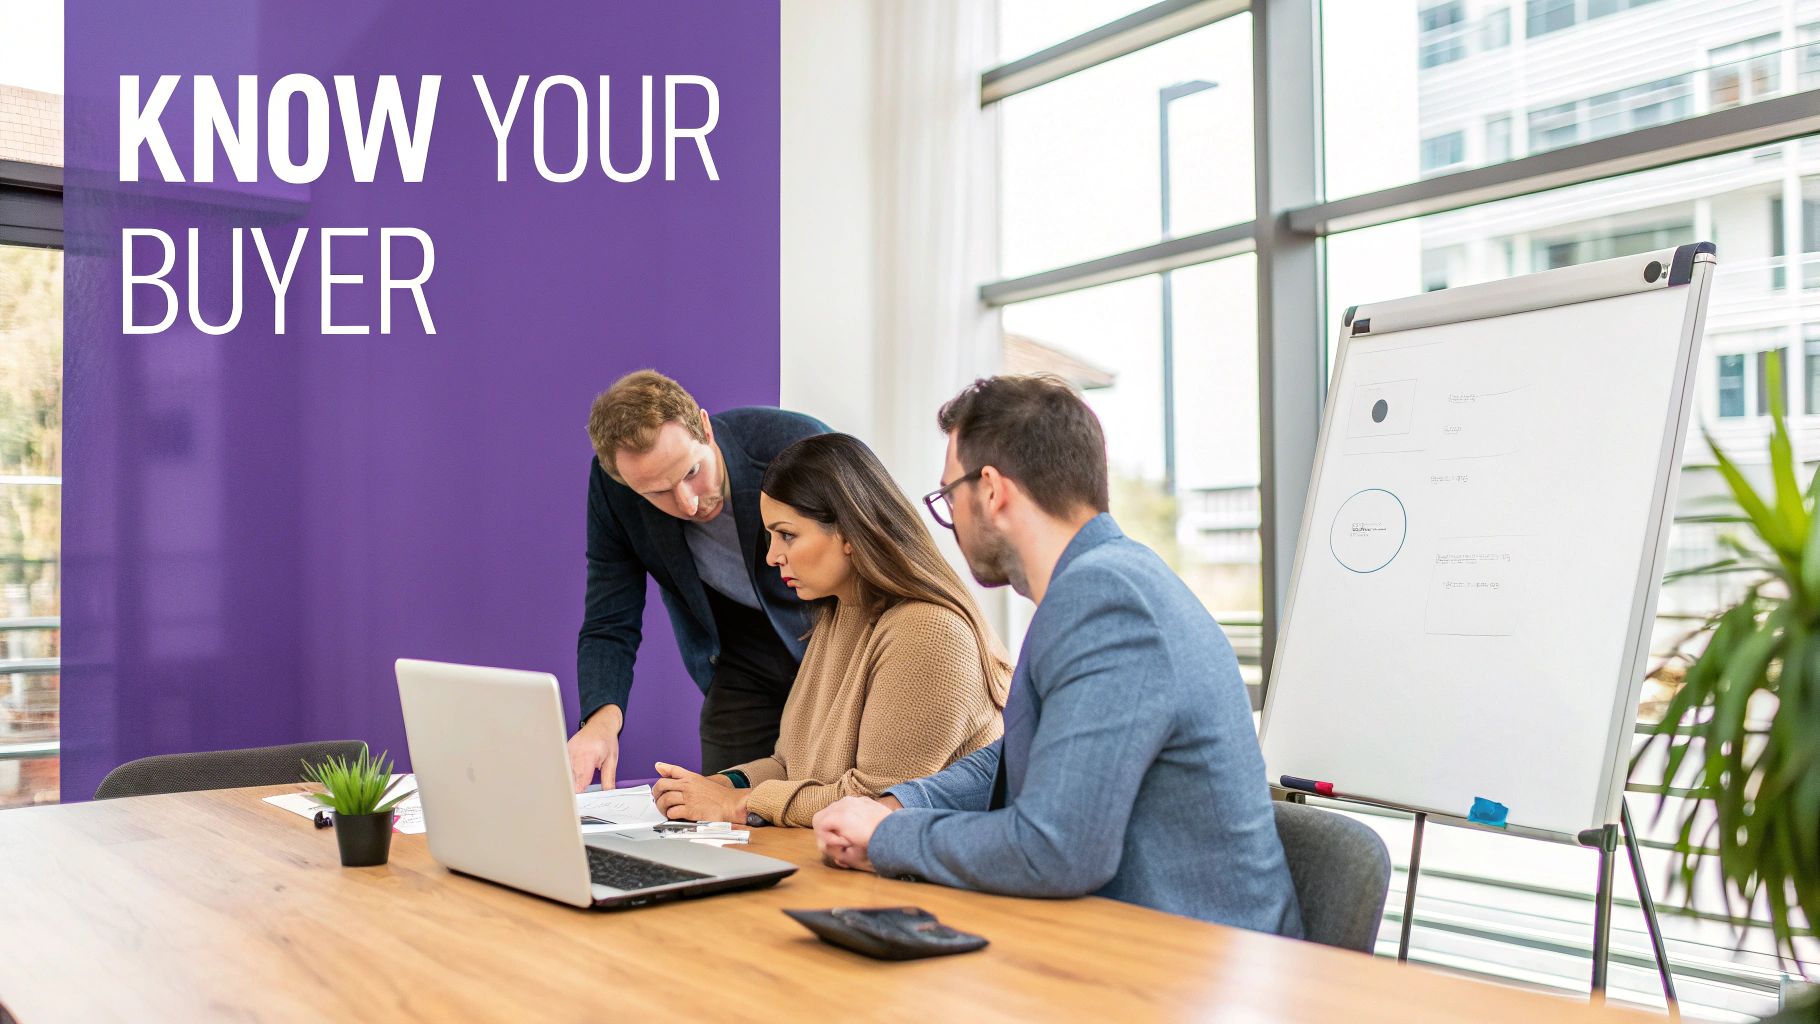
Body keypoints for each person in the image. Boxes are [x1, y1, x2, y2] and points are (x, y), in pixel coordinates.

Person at [812, 374, 1303, 936]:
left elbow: (1057, 850)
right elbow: (1020, 753)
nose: (950, 522)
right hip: (1135, 945)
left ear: (991, 491)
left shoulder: (1107, 602)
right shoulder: (1100, 583)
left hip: (1199, 968)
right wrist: (900, 805)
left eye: (949, 496)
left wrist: (886, 838)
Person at [648, 433, 1011, 827]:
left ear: (850, 533)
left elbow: (876, 802)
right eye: (770, 536)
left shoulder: (930, 632)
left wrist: (735, 804)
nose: (772, 556)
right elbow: (791, 766)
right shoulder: (838, 614)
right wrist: (720, 784)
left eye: (787, 534)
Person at [567, 370, 828, 790]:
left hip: (831, 640)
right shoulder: (614, 488)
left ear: (705, 428)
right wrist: (600, 723)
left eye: (691, 472)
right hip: (738, 658)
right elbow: (609, 619)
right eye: (657, 493)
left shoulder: (796, 445)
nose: (687, 503)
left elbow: (881, 564)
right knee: (722, 817)